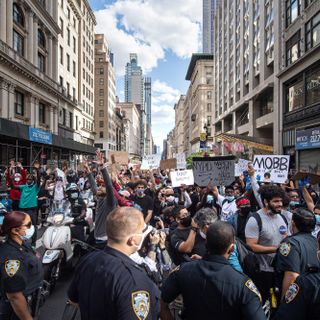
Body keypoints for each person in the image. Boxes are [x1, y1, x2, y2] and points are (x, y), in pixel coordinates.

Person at [67, 207, 160, 320]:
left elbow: (73, 300)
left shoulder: (87, 260)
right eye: (141, 231)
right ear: (133, 240)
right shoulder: (134, 280)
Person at [160, 221, 266, 320]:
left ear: (206, 244)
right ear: (232, 248)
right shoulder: (242, 284)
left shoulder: (183, 270)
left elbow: (162, 303)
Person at [245, 184, 289, 302]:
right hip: (263, 272)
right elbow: (250, 245)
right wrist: (275, 249)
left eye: (280, 200)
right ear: (265, 201)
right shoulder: (255, 220)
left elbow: (286, 238)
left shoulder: (282, 217)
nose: (280, 204)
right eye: (275, 201)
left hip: (280, 270)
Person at [0, 211, 43, 320]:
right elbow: (15, 296)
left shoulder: (22, 243)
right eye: (28, 225)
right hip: (17, 310)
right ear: (15, 230)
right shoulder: (11, 258)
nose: (31, 227)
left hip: (32, 298)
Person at [274, 208, 319, 298]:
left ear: (293, 223)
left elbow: (291, 276)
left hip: (299, 299)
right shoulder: (316, 241)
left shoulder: (289, 244)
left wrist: (286, 305)